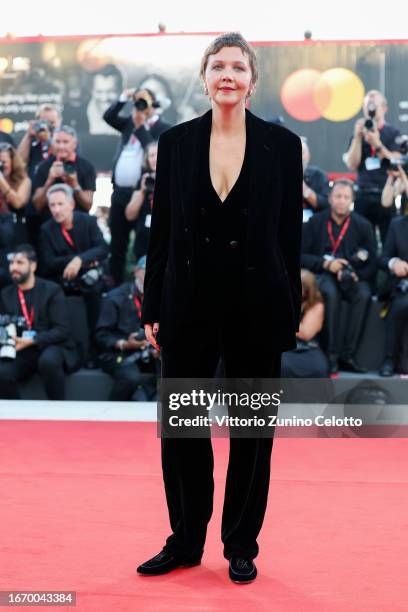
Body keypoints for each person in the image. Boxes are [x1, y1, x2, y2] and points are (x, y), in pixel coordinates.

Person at [137, 33, 303, 584]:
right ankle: (184, 540)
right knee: (182, 428)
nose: (227, 75)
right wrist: (153, 305)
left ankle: (240, 543)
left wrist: (288, 309)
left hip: (258, 306)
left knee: (252, 433)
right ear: (204, 78)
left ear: (252, 80)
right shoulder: (176, 143)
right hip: (187, 305)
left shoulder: (283, 145)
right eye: (218, 66)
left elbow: (288, 241)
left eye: (238, 66)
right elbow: (160, 231)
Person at [301, 178, 377, 374]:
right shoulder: (316, 222)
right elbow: (301, 256)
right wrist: (326, 264)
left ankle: (348, 355)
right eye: (338, 196)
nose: (341, 201)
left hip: (353, 276)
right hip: (323, 274)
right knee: (330, 294)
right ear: (330, 198)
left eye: (346, 197)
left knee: (364, 295)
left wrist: (357, 275)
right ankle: (332, 355)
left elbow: (373, 261)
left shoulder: (363, 225)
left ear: (351, 200)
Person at [103, 87, 171, 285]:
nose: (139, 108)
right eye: (138, 103)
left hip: (147, 192)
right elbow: (108, 117)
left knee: (144, 242)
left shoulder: (163, 128)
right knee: (118, 243)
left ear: (154, 105)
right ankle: (116, 285)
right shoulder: (128, 125)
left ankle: (147, 287)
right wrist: (124, 97)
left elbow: (154, 152)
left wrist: (141, 127)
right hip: (120, 192)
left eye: (144, 103)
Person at [38, 184, 108, 363]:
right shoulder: (46, 229)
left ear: (72, 204)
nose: (56, 209)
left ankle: (95, 350)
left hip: (90, 280)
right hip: (61, 281)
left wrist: (79, 261)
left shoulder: (88, 222)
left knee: (96, 292)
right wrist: (75, 261)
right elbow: (47, 263)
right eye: (52, 205)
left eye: (60, 204)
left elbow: (102, 248)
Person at [0, 244, 79, 399]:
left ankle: (57, 411)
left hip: (50, 345)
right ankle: (18, 418)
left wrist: (32, 340)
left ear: (33, 265)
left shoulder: (52, 290)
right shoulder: (6, 293)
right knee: (2, 372)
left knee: (48, 362)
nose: (13, 267)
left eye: (20, 263)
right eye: (11, 263)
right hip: (21, 348)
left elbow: (62, 330)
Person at [95, 256, 159, 400]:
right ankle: (111, 414)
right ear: (136, 272)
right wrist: (124, 343)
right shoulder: (115, 297)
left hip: (151, 352)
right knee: (130, 378)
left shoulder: (163, 297)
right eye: (147, 271)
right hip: (120, 353)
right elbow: (101, 335)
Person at [344, 90, 401, 245]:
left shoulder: (392, 132)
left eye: (373, 104)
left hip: (386, 194)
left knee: (388, 240)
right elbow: (352, 164)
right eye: (367, 105)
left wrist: (377, 144)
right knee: (362, 241)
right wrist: (357, 137)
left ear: (384, 108)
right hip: (363, 194)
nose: (370, 109)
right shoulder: (359, 134)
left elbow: (396, 162)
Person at [32, 125, 96, 220]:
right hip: (49, 224)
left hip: (79, 223)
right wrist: (49, 180)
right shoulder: (43, 167)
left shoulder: (87, 166)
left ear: (75, 144)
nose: (61, 146)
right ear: (52, 143)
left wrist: (75, 184)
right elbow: (37, 205)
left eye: (65, 142)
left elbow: (88, 205)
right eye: (57, 142)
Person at [281, 269, 329, 377]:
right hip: (285, 346)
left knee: (320, 367)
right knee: (283, 366)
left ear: (308, 290)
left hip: (307, 347)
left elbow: (306, 334)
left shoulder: (316, 305)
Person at [378, 215, 408, 376]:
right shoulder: (397, 225)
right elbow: (383, 258)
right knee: (400, 304)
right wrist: (394, 263)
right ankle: (389, 358)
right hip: (403, 284)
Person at [125, 142, 157, 260]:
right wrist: (143, 191)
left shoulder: (174, 178)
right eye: (152, 156)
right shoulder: (143, 181)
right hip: (144, 244)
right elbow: (130, 215)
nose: (155, 159)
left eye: (158, 154)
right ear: (147, 160)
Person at [17, 103, 62, 180]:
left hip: (58, 186)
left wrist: (48, 139)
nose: (48, 126)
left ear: (59, 121)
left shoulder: (66, 138)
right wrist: (28, 135)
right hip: (35, 185)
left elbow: (63, 157)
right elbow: (19, 162)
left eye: (52, 123)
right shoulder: (31, 139)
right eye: (45, 122)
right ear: (37, 121)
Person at [0, 143, 31, 248]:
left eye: (3, 162)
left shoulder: (24, 181)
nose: (1, 166)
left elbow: (18, 203)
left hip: (16, 231)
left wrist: (1, 181)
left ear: (13, 162)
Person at [86, 64, 124, 136]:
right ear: (92, 91)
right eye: (99, 92)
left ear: (121, 91)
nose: (104, 98)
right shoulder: (81, 118)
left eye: (111, 91)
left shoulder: (133, 118)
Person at [301, 136, 330, 218]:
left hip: (314, 222)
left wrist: (304, 189)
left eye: (302, 152)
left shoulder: (318, 175)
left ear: (308, 156)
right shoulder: (280, 175)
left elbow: (325, 204)